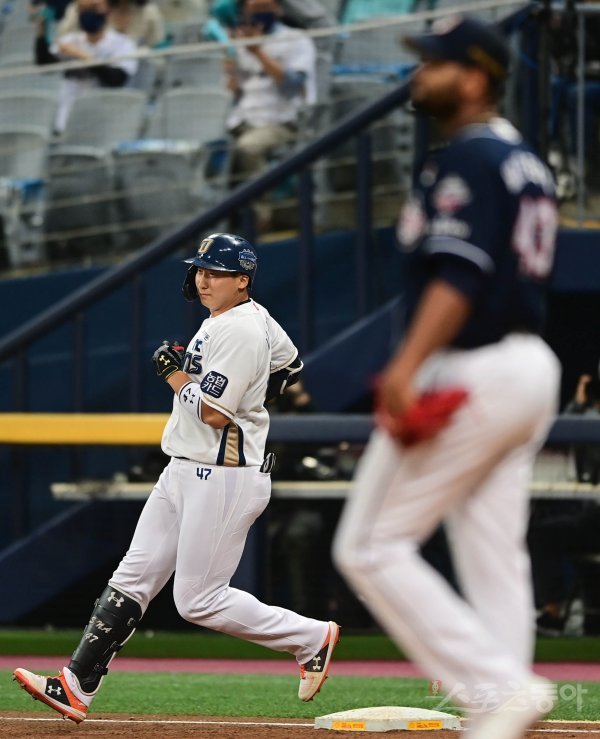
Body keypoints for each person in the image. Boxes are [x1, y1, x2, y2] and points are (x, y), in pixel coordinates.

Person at [333, 15, 561, 739]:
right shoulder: (524, 160)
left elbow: (459, 275)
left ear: (475, 77)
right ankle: (501, 713)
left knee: (369, 545)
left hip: (473, 364)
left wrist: (405, 366)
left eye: (435, 64)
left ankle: (502, 691)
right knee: (492, 551)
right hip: (528, 367)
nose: (419, 75)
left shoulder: (469, 156)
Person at [13, 232, 340, 724]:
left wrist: (175, 375)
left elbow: (213, 414)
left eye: (216, 272)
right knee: (133, 576)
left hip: (224, 474)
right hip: (184, 468)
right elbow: (290, 365)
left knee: (198, 601)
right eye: (201, 270)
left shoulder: (242, 330)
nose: (204, 280)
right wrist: (247, 392)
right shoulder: (238, 319)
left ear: (243, 280)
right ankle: (76, 685)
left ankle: (311, 637)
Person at [225, 0, 317, 228]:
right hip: (242, 119)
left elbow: (291, 86)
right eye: (255, 9)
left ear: (278, 9)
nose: (260, 14)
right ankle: (227, 219)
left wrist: (258, 52)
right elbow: (232, 91)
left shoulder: (296, 39)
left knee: (248, 147)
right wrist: (229, 61)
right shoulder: (240, 42)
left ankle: (260, 218)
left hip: (282, 121)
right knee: (214, 149)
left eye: (266, 8)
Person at [35, 0, 138, 133]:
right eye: (83, 9)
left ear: (108, 9)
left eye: (93, 8)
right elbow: (44, 64)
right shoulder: (70, 40)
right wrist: (41, 32)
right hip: (68, 121)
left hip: (105, 122)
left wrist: (84, 57)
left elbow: (116, 80)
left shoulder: (123, 43)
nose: (88, 13)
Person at [58, 0, 165, 47]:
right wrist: (83, 12)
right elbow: (61, 42)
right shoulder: (86, 7)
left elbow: (157, 52)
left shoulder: (149, 12)